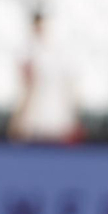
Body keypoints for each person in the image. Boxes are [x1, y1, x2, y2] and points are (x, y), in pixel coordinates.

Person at [10, 11, 80, 142]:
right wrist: (20, 117)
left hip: (56, 118)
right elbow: (27, 87)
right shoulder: (27, 52)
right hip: (34, 119)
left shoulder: (58, 51)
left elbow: (68, 85)